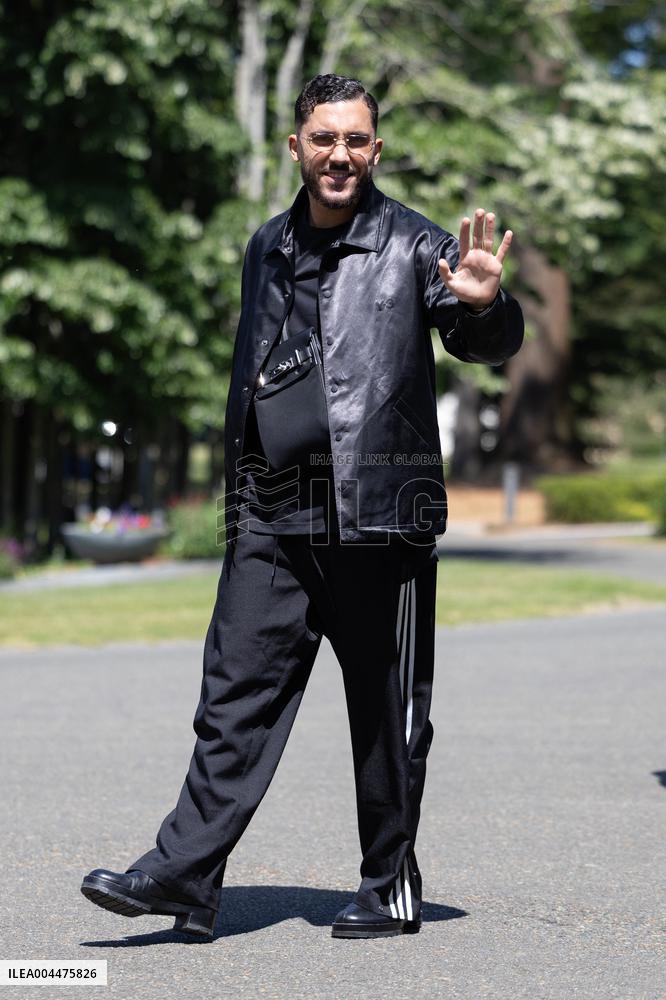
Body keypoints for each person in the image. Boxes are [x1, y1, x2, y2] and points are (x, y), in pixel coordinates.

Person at [81, 73, 524, 940]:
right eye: (324, 138)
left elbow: (479, 335)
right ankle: (186, 878)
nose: (340, 155)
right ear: (296, 146)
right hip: (270, 504)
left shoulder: (413, 244)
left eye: (357, 140)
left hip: (375, 507)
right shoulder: (267, 244)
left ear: (376, 150)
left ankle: (388, 882)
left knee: (384, 707)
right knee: (232, 695)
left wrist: (485, 305)